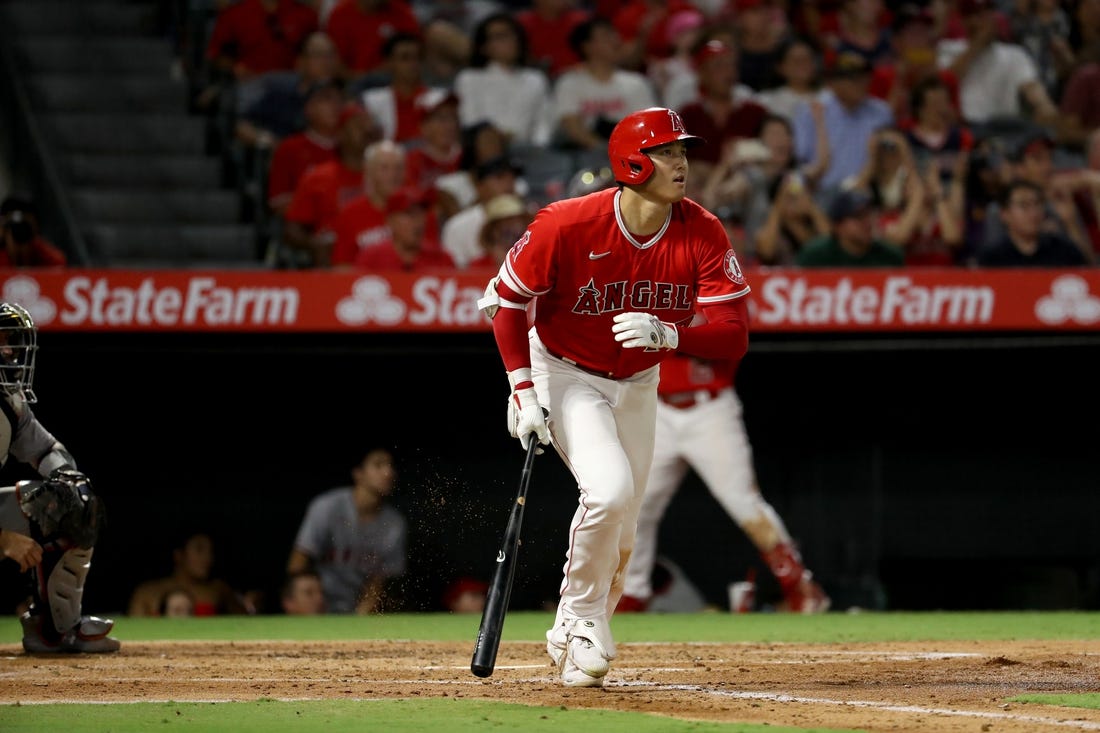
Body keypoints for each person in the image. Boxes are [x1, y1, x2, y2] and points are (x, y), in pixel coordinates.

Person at [478, 107, 751, 687]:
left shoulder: (702, 229)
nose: (681, 163)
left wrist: (674, 333)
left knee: (624, 526)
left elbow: (734, 335)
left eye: (683, 152)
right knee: (609, 491)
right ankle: (577, 617)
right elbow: (505, 304)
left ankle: (579, 633)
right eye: (667, 152)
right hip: (564, 370)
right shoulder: (566, 223)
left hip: (638, 381)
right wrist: (523, 390)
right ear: (632, 162)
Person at [616, 349, 830, 614]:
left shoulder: (713, 305)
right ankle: (631, 593)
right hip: (657, 409)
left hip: (710, 410)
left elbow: (731, 337)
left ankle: (801, 586)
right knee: (637, 504)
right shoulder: (652, 305)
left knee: (744, 503)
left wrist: (668, 333)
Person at [0, 302, 119, 653]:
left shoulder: (9, 403)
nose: (9, 351)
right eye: (2, 341)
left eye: (10, 340)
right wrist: (4, 539)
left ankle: (53, 628)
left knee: (73, 501)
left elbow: (47, 451)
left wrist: (72, 485)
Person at [287, 447, 407, 614]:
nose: (388, 472)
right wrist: (303, 604)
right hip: (317, 604)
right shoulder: (328, 507)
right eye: (378, 465)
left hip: (354, 608)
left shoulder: (394, 523)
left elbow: (379, 581)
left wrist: (360, 616)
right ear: (358, 473)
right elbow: (297, 564)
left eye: (390, 466)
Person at [128, 531, 251, 616]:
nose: (208, 558)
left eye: (210, 551)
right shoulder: (146, 592)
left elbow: (247, 619)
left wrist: (251, 605)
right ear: (179, 555)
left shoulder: (219, 589)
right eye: (199, 549)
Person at [977, 179, 1090, 266]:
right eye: (1024, 205)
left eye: (1037, 204)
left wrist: (1071, 222)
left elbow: (1088, 271)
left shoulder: (1062, 250)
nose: (1033, 213)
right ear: (1004, 214)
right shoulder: (991, 258)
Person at [796, 188, 906, 266]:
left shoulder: (889, 257)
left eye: (869, 214)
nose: (867, 222)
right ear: (838, 226)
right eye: (858, 216)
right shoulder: (815, 256)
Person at [0, 195, 68, 267]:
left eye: (24, 225)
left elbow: (59, 262)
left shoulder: (39, 251)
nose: (19, 229)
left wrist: (34, 239)